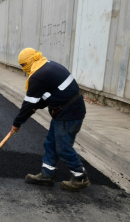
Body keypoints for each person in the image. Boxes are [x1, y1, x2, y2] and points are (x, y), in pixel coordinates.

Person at [10, 48, 89, 191]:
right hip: (64, 110)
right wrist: (37, 106)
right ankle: (47, 175)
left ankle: (80, 178)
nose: (23, 69)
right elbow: (52, 93)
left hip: (69, 113)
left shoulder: (38, 75)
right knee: (51, 143)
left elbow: (28, 104)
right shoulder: (47, 65)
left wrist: (17, 123)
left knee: (63, 147)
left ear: (29, 61)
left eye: (23, 65)